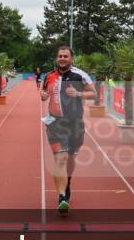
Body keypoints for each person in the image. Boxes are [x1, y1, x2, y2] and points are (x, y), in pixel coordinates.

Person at [40, 46, 95, 214]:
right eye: (60, 56)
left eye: (65, 56)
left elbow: (93, 94)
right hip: (56, 123)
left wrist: (78, 94)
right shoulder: (49, 76)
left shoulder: (81, 75)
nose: (62, 58)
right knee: (61, 158)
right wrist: (43, 95)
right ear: (57, 58)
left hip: (75, 124)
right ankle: (62, 196)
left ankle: (67, 181)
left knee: (70, 159)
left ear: (71, 58)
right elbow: (44, 92)